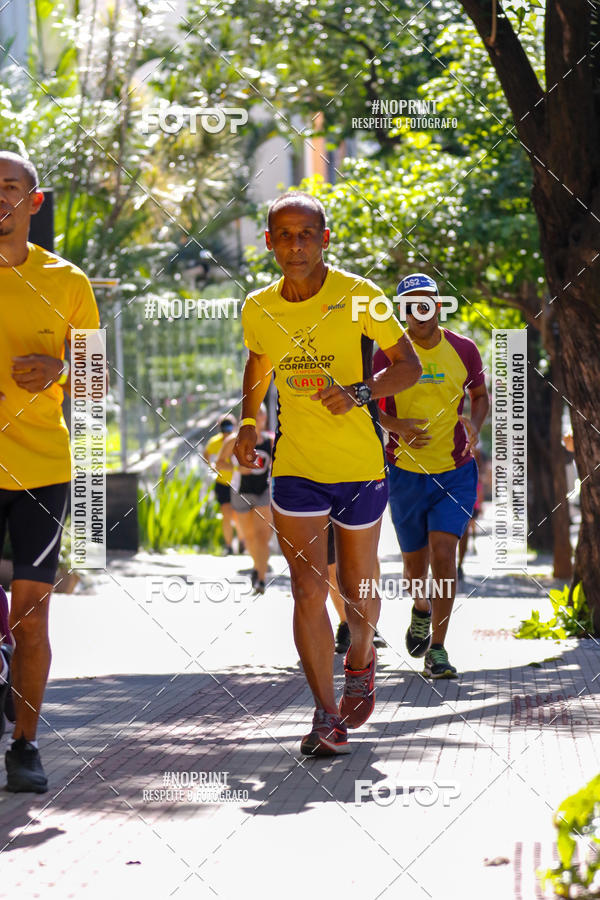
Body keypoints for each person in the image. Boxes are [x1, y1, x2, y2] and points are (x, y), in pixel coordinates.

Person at [234, 191, 421, 755]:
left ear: (325, 239)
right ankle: (324, 715)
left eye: (306, 235)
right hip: (296, 468)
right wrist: (248, 420)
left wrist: (361, 392)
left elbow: (408, 366)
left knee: (358, 593)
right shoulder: (258, 307)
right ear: (268, 242)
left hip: (361, 465)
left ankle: (361, 658)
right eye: (284, 235)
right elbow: (259, 360)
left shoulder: (361, 297)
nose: (295, 245)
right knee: (308, 588)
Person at [0, 151, 100, 791]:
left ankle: (26, 747)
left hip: (41, 469)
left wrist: (60, 370)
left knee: (32, 617)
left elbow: (96, 381)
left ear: (34, 203)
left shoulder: (68, 282)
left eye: (9, 188)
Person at [375, 273, 489, 679]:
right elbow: (368, 406)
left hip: (455, 471)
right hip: (405, 474)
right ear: (402, 311)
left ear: (438, 305)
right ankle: (420, 608)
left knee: (445, 554)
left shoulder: (463, 349)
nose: (418, 310)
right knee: (414, 569)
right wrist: (396, 425)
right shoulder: (386, 355)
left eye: (426, 302)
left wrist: (475, 425)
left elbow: (479, 395)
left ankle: (437, 649)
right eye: (410, 303)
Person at [217, 405, 274, 594]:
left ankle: (261, 578)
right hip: (240, 490)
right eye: (254, 413)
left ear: (265, 417)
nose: (258, 417)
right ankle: (257, 567)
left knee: (261, 536)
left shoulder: (270, 440)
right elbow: (219, 463)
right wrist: (236, 469)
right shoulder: (234, 440)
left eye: (261, 413)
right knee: (249, 536)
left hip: (263, 491)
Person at [204, 414, 241, 555]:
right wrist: (211, 466)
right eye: (223, 425)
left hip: (238, 483)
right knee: (226, 514)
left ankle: (242, 542)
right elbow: (206, 454)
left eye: (229, 425)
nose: (226, 429)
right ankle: (229, 546)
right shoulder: (214, 442)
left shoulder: (238, 440)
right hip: (222, 483)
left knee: (238, 515)